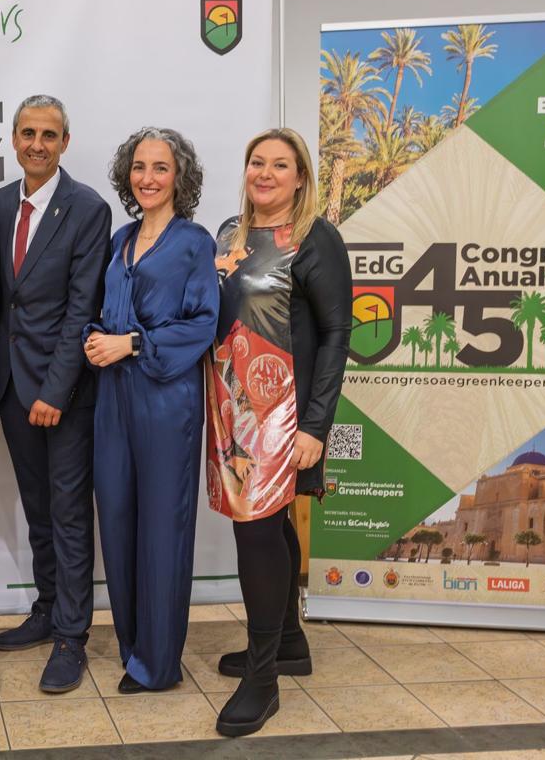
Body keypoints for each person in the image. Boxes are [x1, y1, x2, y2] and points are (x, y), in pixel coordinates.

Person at [206, 127, 351, 737]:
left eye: (279, 164)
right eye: (256, 163)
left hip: (283, 413)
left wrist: (316, 425)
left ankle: (262, 680)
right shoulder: (227, 235)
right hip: (230, 405)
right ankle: (287, 643)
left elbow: (339, 334)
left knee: (256, 534)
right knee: (271, 527)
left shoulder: (317, 239)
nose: (265, 173)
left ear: (300, 177)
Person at [84, 127, 218, 694]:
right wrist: (98, 337)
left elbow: (203, 323)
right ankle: (133, 645)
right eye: (139, 167)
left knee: (163, 526)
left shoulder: (195, 242)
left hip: (167, 399)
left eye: (160, 168)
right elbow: (106, 309)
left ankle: (158, 665)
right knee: (115, 520)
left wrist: (133, 344)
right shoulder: (120, 237)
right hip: (113, 396)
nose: (147, 178)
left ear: (179, 177)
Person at [0, 95, 110, 693]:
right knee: (38, 510)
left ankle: (71, 637)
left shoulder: (87, 208)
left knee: (67, 516)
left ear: (65, 143)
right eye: (28, 133)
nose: (37, 143)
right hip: (11, 387)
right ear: (14, 140)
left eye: (50, 134)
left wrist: (56, 389)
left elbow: (81, 308)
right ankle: (45, 609)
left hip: (62, 393)